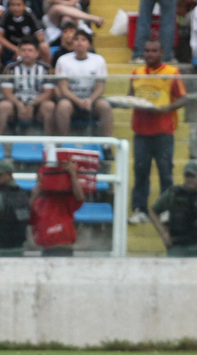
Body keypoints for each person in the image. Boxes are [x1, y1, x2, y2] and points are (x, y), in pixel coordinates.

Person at [127, 39, 187, 224]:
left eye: (154, 50)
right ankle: (139, 210)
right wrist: (129, 101)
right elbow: (130, 95)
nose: (149, 54)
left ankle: (166, 210)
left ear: (162, 53)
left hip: (163, 131)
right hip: (141, 131)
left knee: (165, 172)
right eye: (146, 51)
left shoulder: (171, 73)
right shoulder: (136, 73)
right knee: (140, 171)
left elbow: (183, 99)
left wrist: (166, 109)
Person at [54, 30, 113, 138]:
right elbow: (63, 88)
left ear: (89, 44)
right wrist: (77, 101)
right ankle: (63, 143)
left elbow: (100, 87)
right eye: (76, 39)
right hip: (71, 100)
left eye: (83, 40)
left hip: (92, 100)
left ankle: (106, 145)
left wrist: (90, 100)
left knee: (105, 106)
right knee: (63, 106)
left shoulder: (98, 60)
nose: (79, 42)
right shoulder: (63, 60)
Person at [0, 38, 55, 135]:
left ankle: (49, 144)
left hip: (38, 107)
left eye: (30, 50)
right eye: (23, 50)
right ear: (19, 52)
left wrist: (32, 104)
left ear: (37, 53)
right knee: (3, 106)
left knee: (49, 106)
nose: (27, 53)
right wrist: (19, 104)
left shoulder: (47, 69)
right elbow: (7, 92)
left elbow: (48, 93)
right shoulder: (10, 68)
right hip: (16, 106)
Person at [30, 159, 84, 256]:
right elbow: (28, 217)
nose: (40, 183)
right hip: (46, 249)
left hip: (65, 248)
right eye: (39, 180)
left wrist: (73, 175)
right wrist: (33, 197)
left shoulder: (64, 199)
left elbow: (79, 198)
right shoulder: (37, 203)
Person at [0, 0, 49, 75]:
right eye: (12, 5)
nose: (15, 8)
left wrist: (26, 49)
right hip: (9, 48)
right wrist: (16, 49)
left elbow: (40, 37)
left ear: (24, 6)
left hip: (27, 46)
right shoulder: (5, 15)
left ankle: (48, 76)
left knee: (44, 46)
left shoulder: (30, 16)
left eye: (18, 5)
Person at [149, 161, 197, 256]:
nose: (190, 179)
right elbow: (152, 212)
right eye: (187, 176)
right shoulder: (173, 194)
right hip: (177, 247)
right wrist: (163, 234)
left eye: (193, 176)